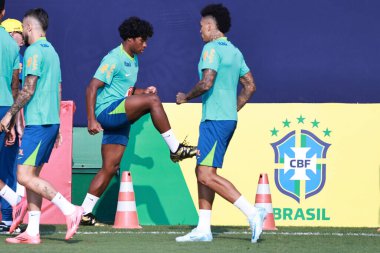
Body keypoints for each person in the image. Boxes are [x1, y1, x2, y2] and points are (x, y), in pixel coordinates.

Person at [80, 16, 197, 225]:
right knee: (153, 101)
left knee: (109, 167)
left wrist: (142, 92)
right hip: (108, 112)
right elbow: (92, 87)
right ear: (130, 39)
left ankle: (83, 213)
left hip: (120, 115)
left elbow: (126, 90)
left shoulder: (133, 60)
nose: (145, 45)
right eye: (142, 40)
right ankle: (176, 149)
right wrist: (90, 119)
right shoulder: (113, 58)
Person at [175, 4, 266, 243]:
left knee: (205, 174)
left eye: (202, 26)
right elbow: (250, 86)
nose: (200, 31)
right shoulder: (235, 51)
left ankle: (253, 213)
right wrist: (231, 109)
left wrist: (185, 97)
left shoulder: (211, 49)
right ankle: (204, 228)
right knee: (203, 171)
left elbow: (206, 83)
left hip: (215, 119)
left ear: (212, 26)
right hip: (224, 118)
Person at [0, 8, 83, 244]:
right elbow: (57, 89)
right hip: (48, 122)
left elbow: (28, 89)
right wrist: (57, 126)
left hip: (38, 123)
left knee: (24, 176)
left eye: (23, 30)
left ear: (28, 28)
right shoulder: (52, 52)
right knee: (31, 176)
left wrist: (9, 116)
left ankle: (69, 209)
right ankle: (33, 231)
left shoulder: (34, 52)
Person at [0, 0, 25, 234]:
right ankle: (9, 219)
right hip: (7, 107)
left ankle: (15, 202)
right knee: (6, 166)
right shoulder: (11, 45)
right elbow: (15, 85)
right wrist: (14, 117)